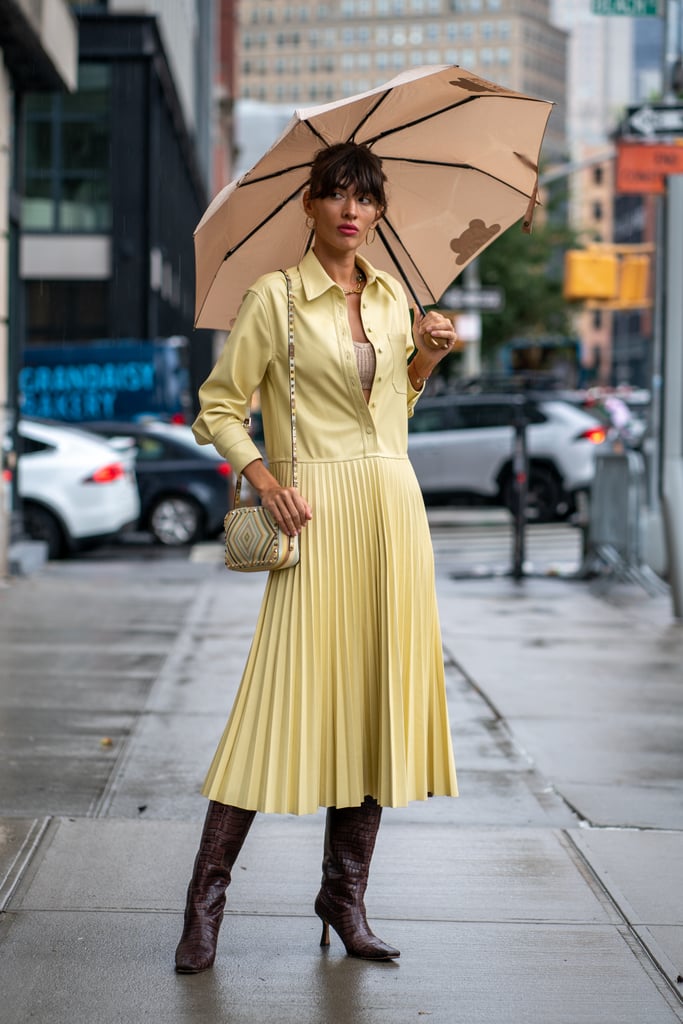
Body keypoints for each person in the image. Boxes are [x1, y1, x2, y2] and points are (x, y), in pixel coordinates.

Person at [175, 142, 458, 974]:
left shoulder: (391, 296)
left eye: (365, 199)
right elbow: (218, 409)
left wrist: (428, 354)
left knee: (374, 705)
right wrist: (262, 478)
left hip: (392, 513)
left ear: (378, 212)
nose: (351, 211)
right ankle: (204, 905)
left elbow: (392, 405)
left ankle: (345, 896)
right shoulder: (273, 300)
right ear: (308, 205)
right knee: (273, 707)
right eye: (335, 195)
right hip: (316, 516)